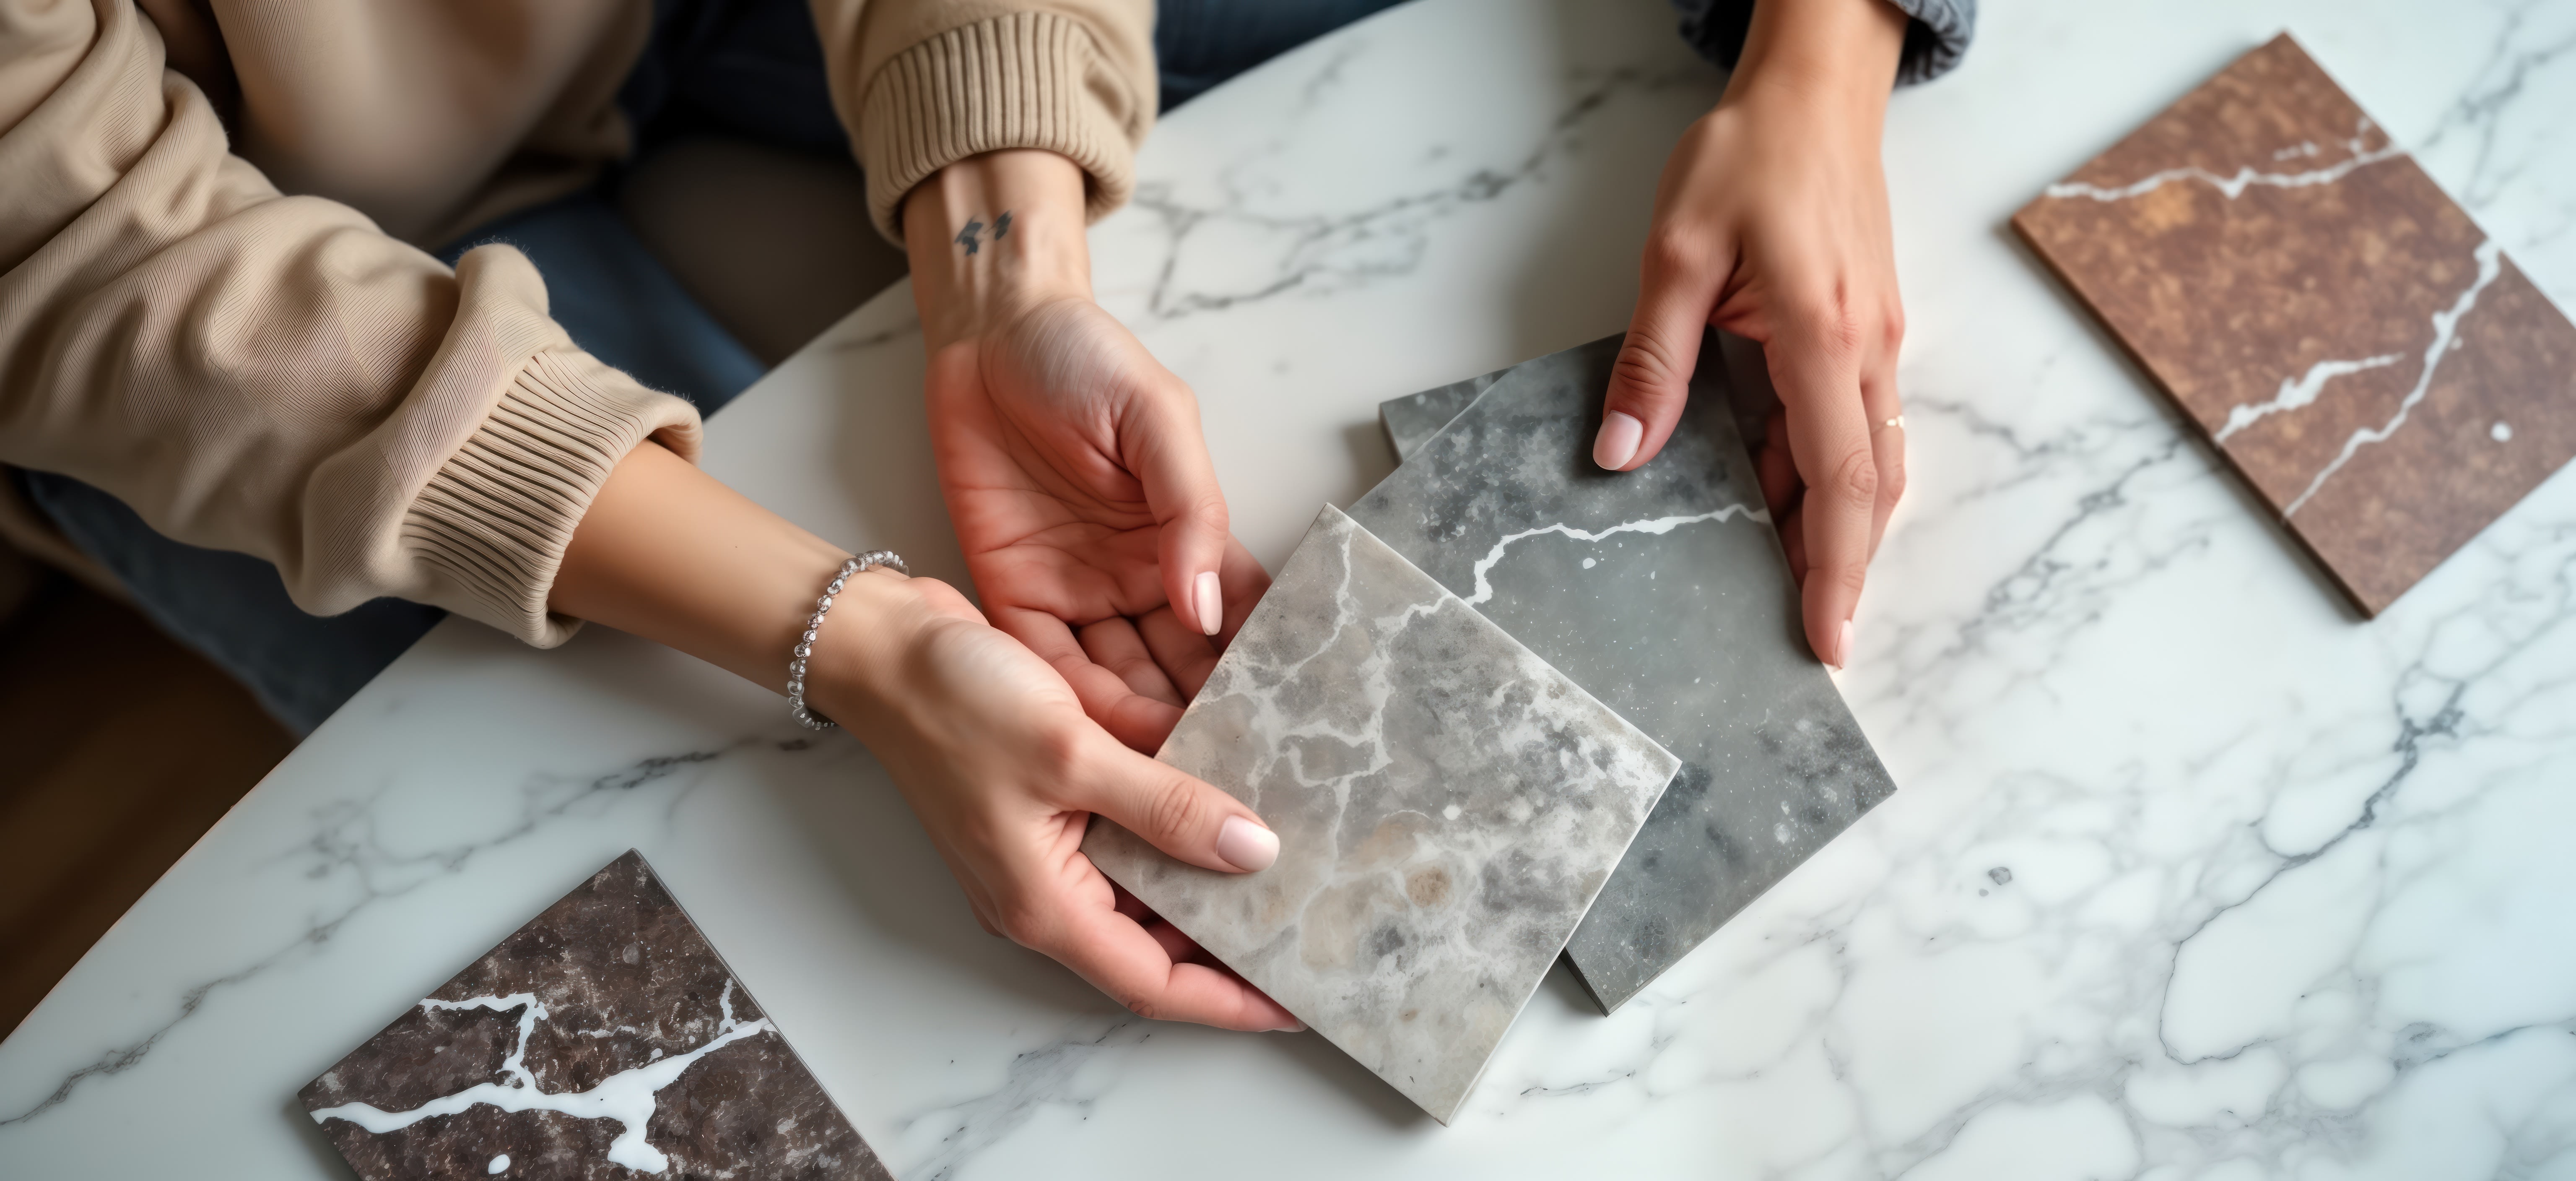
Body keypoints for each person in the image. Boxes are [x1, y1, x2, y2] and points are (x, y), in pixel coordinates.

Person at [0, 0, 1969, 1034]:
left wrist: (1008, 280)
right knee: (698, 847)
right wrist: (856, 634)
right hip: (188, 264)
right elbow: (87, 257)